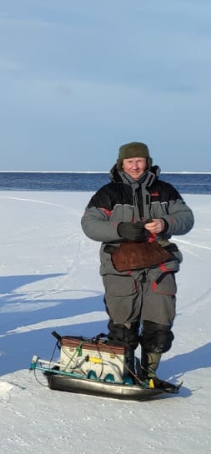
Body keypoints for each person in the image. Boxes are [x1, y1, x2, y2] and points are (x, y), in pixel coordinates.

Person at [81, 142, 194, 383]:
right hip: (120, 266)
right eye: (130, 161)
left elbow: (186, 218)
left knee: (159, 325)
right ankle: (125, 373)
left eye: (140, 160)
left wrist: (165, 223)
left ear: (148, 162)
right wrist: (120, 229)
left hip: (159, 266)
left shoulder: (165, 191)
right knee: (123, 325)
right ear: (121, 163)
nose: (135, 165)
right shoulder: (108, 193)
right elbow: (89, 225)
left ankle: (149, 375)